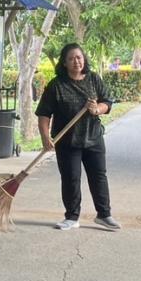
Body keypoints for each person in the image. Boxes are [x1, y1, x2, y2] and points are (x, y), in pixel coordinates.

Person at [36, 43, 120, 231]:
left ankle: (104, 215)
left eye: (79, 57)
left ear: (84, 59)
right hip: (67, 141)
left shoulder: (93, 79)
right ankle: (72, 217)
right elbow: (44, 114)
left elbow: (107, 101)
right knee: (71, 178)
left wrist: (96, 109)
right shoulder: (56, 85)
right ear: (64, 63)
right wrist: (44, 137)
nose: (76, 61)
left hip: (93, 138)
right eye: (72, 58)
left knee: (99, 176)